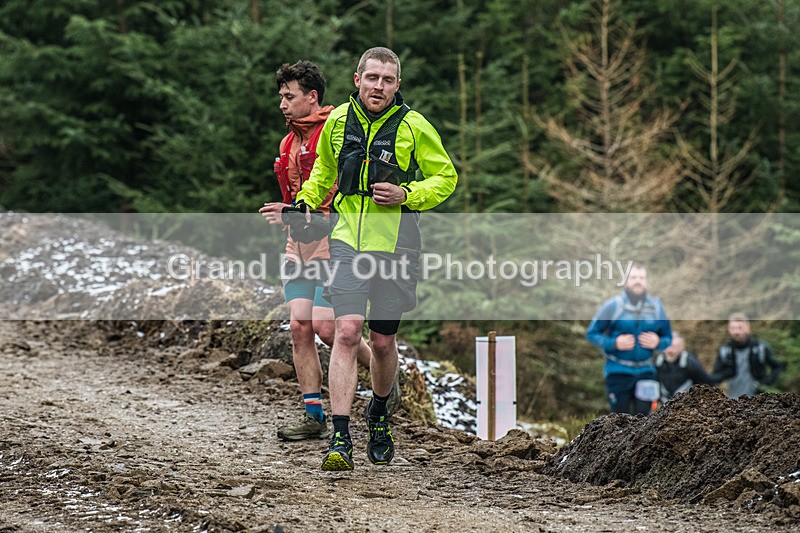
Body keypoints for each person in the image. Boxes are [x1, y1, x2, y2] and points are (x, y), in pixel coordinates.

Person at [293, 47, 458, 470]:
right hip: (348, 241)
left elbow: (446, 177)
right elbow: (322, 175)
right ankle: (341, 438)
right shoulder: (335, 122)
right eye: (372, 78)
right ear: (357, 80)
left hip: (398, 244)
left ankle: (380, 414)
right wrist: (304, 202)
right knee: (347, 331)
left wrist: (408, 194)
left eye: (387, 80)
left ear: (397, 85)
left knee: (383, 342)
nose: (378, 86)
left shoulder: (414, 125)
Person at [259, 60, 375, 441]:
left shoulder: (336, 133)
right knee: (298, 326)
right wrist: (290, 216)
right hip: (298, 243)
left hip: (332, 239)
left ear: (312, 98)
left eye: (289, 97)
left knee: (328, 329)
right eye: (281, 97)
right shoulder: (288, 142)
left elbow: (340, 190)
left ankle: (384, 378)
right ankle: (313, 415)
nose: (282, 104)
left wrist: (303, 214)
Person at [587, 264, 672, 415]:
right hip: (618, 372)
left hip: (647, 372)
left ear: (646, 281)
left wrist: (658, 342)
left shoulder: (656, 307)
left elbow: (668, 338)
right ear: (625, 281)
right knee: (620, 423)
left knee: (645, 423)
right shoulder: (613, 306)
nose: (637, 281)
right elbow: (592, 333)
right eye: (633, 277)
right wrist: (614, 343)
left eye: (641, 278)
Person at [712, 313, 783, 398]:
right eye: (733, 328)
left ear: (748, 328)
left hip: (759, 401)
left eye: (740, 328)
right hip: (733, 401)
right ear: (728, 329)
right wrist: (725, 374)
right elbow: (715, 377)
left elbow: (778, 366)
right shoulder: (725, 351)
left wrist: (766, 382)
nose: (736, 332)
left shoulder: (761, 348)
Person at [655, 332, 724, 403]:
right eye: (666, 347)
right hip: (665, 404)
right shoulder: (658, 363)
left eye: (674, 347)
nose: (670, 350)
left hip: (688, 404)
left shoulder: (690, 363)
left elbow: (706, 382)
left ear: (682, 348)